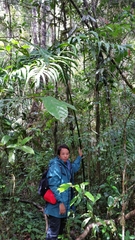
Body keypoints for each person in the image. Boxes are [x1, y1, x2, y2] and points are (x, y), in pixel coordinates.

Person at [44, 144, 83, 240]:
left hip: (65, 206)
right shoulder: (55, 166)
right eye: (63, 154)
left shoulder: (67, 164)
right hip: (56, 207)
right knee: (53, 234)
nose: (65, 156)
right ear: (58, 155)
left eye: (67, 154)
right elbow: (53, 185)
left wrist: (79, 157)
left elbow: (74, 168)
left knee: (60, 233)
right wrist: (60, 202)